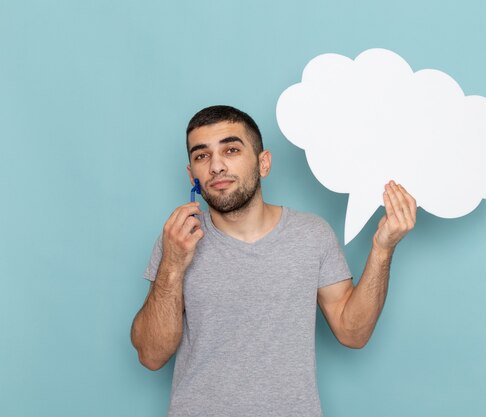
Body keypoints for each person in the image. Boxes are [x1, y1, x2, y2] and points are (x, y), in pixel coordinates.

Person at [131, 105, 417, 417]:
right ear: (192, 175)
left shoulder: (312, 235)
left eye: (231, 150)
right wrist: (172, 264)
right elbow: (151, 355)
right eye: (201, 156)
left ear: (263, 163)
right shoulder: (178, 239)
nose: (216, 166)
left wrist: (382, 249)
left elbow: (353, 332)